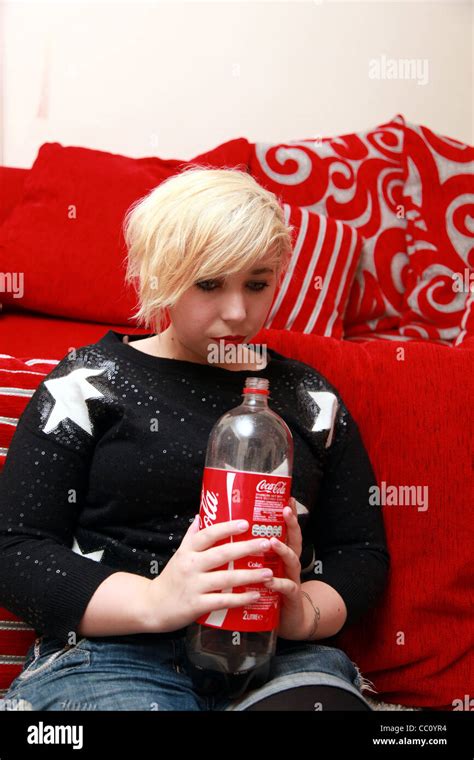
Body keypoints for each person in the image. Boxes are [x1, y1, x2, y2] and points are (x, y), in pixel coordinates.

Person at [0, 166, 389, 711]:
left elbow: (361, 552)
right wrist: (157, 600)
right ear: (161, 275)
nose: (237, 312)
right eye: (209, 283)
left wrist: (305, 612)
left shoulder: (307, 397)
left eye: (257, 283)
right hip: (115, 656)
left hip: (274, 656)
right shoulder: (87, 384)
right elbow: (15, 548)